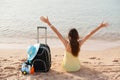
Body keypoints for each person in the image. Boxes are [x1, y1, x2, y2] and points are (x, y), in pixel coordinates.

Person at [40, 16, 108, 72]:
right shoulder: (79, 43)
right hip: (76, 68)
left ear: (69, 36)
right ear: (77, 36)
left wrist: (48, 22)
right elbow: (90, 34)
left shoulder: (66, 43)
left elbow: (57, 32)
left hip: (66, 67)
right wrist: (100, 26)